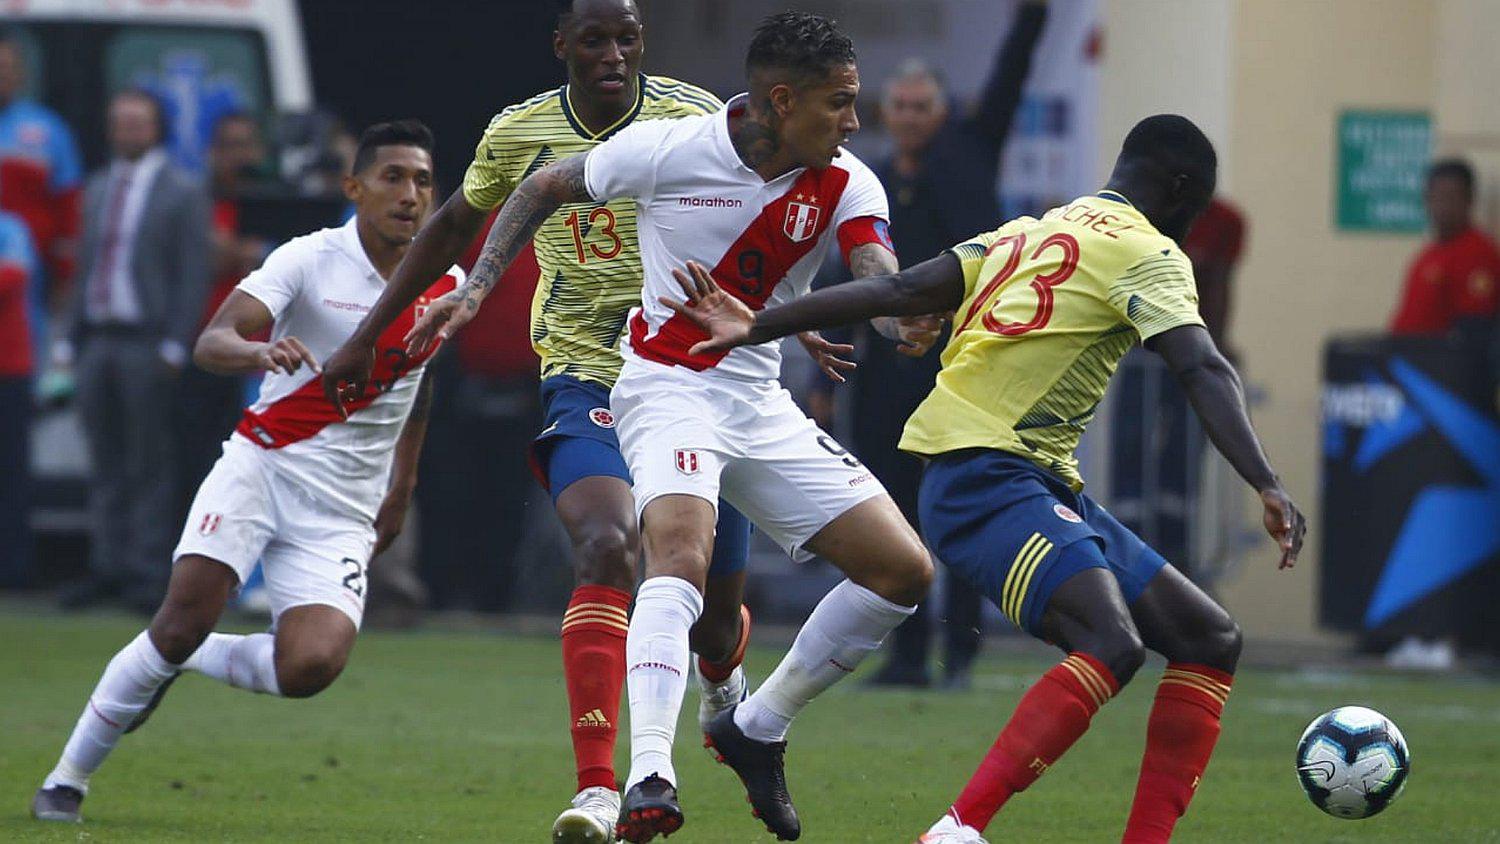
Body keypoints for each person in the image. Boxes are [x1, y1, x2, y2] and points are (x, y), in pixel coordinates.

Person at [665, 114, 1307, 844]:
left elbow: (899, 288)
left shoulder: (1030, 231)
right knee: (1110, 642)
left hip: (1026, 480)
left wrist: (757, 323)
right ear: (1182, 191)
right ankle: (956, 830)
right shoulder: (1148, 252)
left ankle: (759, 728)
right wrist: (1266, 481)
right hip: (987, 479)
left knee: (1208, 637)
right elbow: (1202, 366)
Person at [387, 12, 942, 841]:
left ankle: (757, 726)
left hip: (758, 404)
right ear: (781, 101)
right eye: (840, 103)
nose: (855, 121)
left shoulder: (849, 181)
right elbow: (542, 187)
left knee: (903, 572)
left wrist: (903, 323)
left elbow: (876, 272)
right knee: (671, 553)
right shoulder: (673, 148)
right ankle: (648, 774)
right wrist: (477, 287)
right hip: (665, 387)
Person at [30, 120, 454, 824]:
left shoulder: (447, 283)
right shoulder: (308, 258)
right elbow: (212, 340)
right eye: (393, 177)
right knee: (179, 620)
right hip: (263, 466)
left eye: (422, 181)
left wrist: (402, 486)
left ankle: (183, 661)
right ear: (354, 188)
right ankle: (65, 781)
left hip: (344, 508)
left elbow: (420, 380)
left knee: (310, 667)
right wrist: (258, 353)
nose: (409, 194)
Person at [856, 0, 1049, 690]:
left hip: (961, 366)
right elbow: (852, 278)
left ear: (944, 111)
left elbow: (1010, 77)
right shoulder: (871, 183)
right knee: (891, 512)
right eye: (900, 106)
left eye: (922, 105)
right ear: (886, 113)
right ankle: (906, 656)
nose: (910, 116)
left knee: (959, 504)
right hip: (885, 374)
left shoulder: (971, 149)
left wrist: (1031, 18)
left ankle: (961, 653)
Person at [57, 89, 212, 613]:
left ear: (156, 128)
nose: (127, 131)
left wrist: (176, 343)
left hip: (147, 338)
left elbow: (191, 273)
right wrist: (68, 337)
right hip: (97, 337)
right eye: (119, 122)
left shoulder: (182, 191)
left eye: (137, 123)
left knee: (148, 460)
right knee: (104, 458)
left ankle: (146, 570)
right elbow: (85, 266)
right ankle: (108, 563)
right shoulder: (98, 187)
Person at [1109, 196, 1247, 579]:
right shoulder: (1140, 216)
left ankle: (1175, 559)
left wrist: (1215, 348)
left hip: (1191, 354)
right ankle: (1127, 556)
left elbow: (1219, 284)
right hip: (1142, 353)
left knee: (1182, 461)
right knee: (1131, 450)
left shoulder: (1225, 221)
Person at [0, 30, 84, 358]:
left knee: (26, 351)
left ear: (21, 74)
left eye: (9, 67)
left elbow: (69, 205)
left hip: (30, 271)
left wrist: (65, 272)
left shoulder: (48, 129)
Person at [1389, 159, 1500, 337]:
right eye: (1436, 197)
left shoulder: (1479, 253)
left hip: (1436, 354)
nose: (1443, 206)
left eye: (1451, 197)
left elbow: (1474, 332)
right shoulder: (1429, 254)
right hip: (1403, 351)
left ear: (1470, 200)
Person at [0, 199, 40, 588]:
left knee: (10, 469)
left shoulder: (10, 226)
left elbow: (11, 279)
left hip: (9, 367)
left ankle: (13, 567)